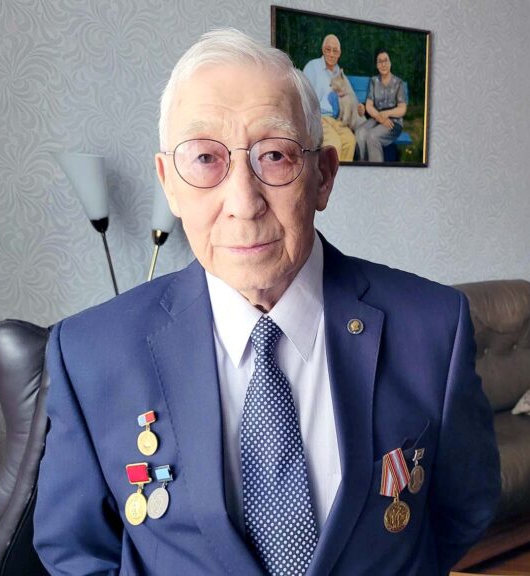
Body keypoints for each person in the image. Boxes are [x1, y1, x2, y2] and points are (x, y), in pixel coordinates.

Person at [33, 29, 500, 576]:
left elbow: (463, 509)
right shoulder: (90, 353)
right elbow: (75, 551)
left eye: (275, 155)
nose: (243, 202)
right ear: (169, 184)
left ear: (323, 176)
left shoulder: (434, 327)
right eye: (205, 158)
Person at [302, 34, 356, 161]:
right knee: (334, 144)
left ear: (339, 53)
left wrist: (359, 106)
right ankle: (330, 174)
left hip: (336, 119)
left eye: (335, 51)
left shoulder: (339, 73)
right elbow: (303, 95)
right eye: (328, 49)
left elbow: (351, 96)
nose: (331, 54)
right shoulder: (312, 66)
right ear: (323, 50)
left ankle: (343, 173)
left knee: (350, 141)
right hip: (318, 118)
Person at [355, 49, 407, 162]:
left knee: (372, 136)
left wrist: (386, 114)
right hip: (376, 119)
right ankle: (362, 163)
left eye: (385, 61)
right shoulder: (374, 81)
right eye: (380, 61)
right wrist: (380, 117)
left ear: (390, 63)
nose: (383, 64)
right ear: (377, 65)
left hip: (393, 123)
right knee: (360, 132)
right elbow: (369, 105)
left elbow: (402, 109)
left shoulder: (398, 83)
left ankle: (375, 168)